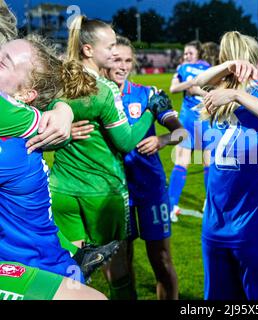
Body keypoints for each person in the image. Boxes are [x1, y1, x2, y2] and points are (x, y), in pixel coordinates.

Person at [49, 15, 154, 299]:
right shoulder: (104, 89)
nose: (114, 52)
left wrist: (66, 133)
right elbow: (126, 142)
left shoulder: (58, 81)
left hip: (61, 190)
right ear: (88, 50)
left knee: (71, 271)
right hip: (101, 193)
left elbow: (40, 133)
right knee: (118, 272)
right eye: (109, 47)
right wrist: (149, 112)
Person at [73, 36, 182, 299]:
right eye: (116, 60)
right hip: (112, 192)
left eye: (128, 60)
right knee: (120, 263)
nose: (123, 66)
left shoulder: (149, 95)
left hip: (150, 189)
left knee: (162, 259)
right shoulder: (92, 97)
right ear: (104, 61)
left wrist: (163, 139)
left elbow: (181, 133)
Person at [0, 30, 106, 300]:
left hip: (31, 273)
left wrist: (63, 111)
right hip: (53, 262)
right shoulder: (20, 128)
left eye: (3, 63)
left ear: (26, 94)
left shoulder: (10, 147)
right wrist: (63, 109)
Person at [201, 31, 258, 300]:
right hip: (254, 230)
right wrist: (231, 88)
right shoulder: (226, 98)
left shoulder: (223, 99)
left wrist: (235, 94)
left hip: (232, 227)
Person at [168, 40, 212, 221]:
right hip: (186, 120)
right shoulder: (182, 68)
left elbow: (211, 91)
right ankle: (170, 206)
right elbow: (173, 88)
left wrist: (197, 89)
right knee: (181, 161)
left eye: (190, 53)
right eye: (185, 53)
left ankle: (209, 204)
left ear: (198, 54)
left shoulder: (208, 68)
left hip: (204, 120)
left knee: (208, 164)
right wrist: (191, 85)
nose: (187, 56)